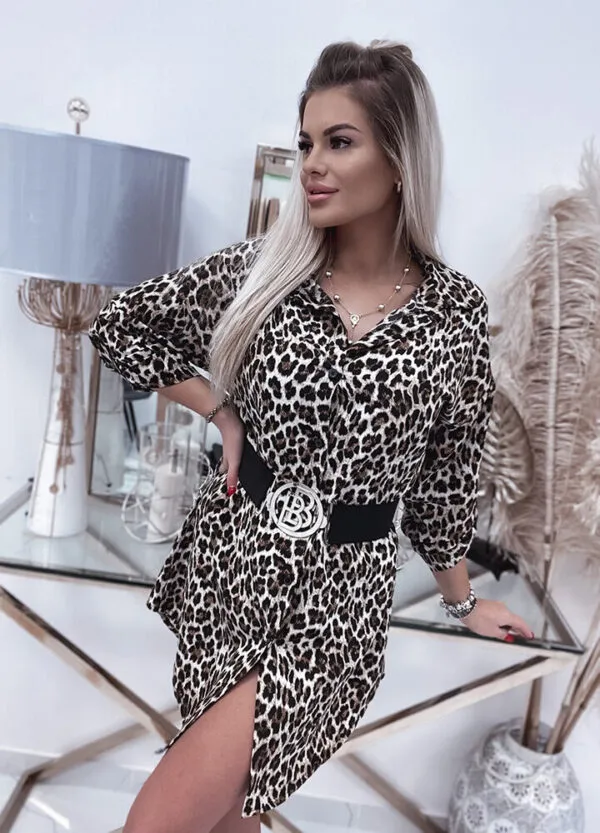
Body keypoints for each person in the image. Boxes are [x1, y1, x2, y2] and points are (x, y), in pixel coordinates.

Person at [89, 38, 533, 833]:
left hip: (336, 603)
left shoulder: (455, 314)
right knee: (226, 815)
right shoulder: (265, 273)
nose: (313, 165)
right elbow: (122, 325)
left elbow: (445, 480)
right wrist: (220, 410)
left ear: (398, 160)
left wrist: (464, 602)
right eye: (305, 144)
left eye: (339, 142)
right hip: (234, 568)